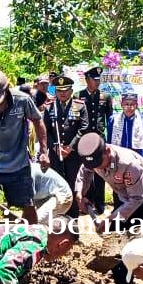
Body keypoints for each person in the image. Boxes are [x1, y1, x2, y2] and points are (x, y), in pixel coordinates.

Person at [75, 132, 143, 284]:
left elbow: (137, 198)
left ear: (107, 152)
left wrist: (110, 218)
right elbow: (85, 172)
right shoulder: (94, 159)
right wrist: (80, 194)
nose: (99, 168)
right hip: (126, 197)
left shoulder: (127, 163)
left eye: (101, 164)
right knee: (116, 241)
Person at [0, 70, 49, 224]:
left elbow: (38, 121)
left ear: (7, 89)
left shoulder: (23, 100)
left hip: (18, 164)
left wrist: (44, 152)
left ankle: (33, 240)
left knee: (28, 206)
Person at [43, 75, 87, 216]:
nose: (63, 93)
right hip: (55, 154)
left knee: (72, 184)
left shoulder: (79, 105)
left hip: (73, 155)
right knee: (56, 186)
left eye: (66, 90)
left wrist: (70, 147)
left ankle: (73, 218)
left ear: (71, 91)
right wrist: (54, 146)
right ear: (55, 91)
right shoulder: (50, 107)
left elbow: (84, 128)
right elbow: (45, 130)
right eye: (60, 90)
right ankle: (57, 217)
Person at [77, 67, 113, 212]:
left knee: (101, 169)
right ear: (87, 80)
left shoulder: (105, 96)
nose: (97, 83)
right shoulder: (78, 96)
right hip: (84, 139)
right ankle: (88, 200)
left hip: (99, 138)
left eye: (98, 80)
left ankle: (100, 202)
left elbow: (109, 119)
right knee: (86, 169)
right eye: (94, 80)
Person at [106, 92, 143, 161]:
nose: (129, 107)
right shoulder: (113, 120)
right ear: (121, 105)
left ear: (136, 105)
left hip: (137, 157)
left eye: (132, 104)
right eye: (126, 104)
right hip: (119, 157)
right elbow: (109, 141)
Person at [30, 162, 73, 226]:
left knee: (35, 222)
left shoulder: (28, 173)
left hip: (60, 195)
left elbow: (28, 203)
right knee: (33, 222)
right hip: (43, 196)